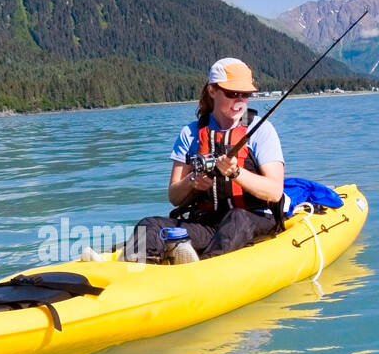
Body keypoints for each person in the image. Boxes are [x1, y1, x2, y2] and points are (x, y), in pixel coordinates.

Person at [121, 58, 285, 263]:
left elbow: (275, 191)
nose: (240, 100)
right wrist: (192, 182)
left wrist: (236, 173)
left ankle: (200, 268)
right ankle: (134, 267)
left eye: (245, 94)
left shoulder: (262, 131)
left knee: (236, 219)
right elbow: (174, 196)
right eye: (232, 94)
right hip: (207, 224)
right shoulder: (190, 133)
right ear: (212, 91)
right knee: (149, 225)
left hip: (253, 219)